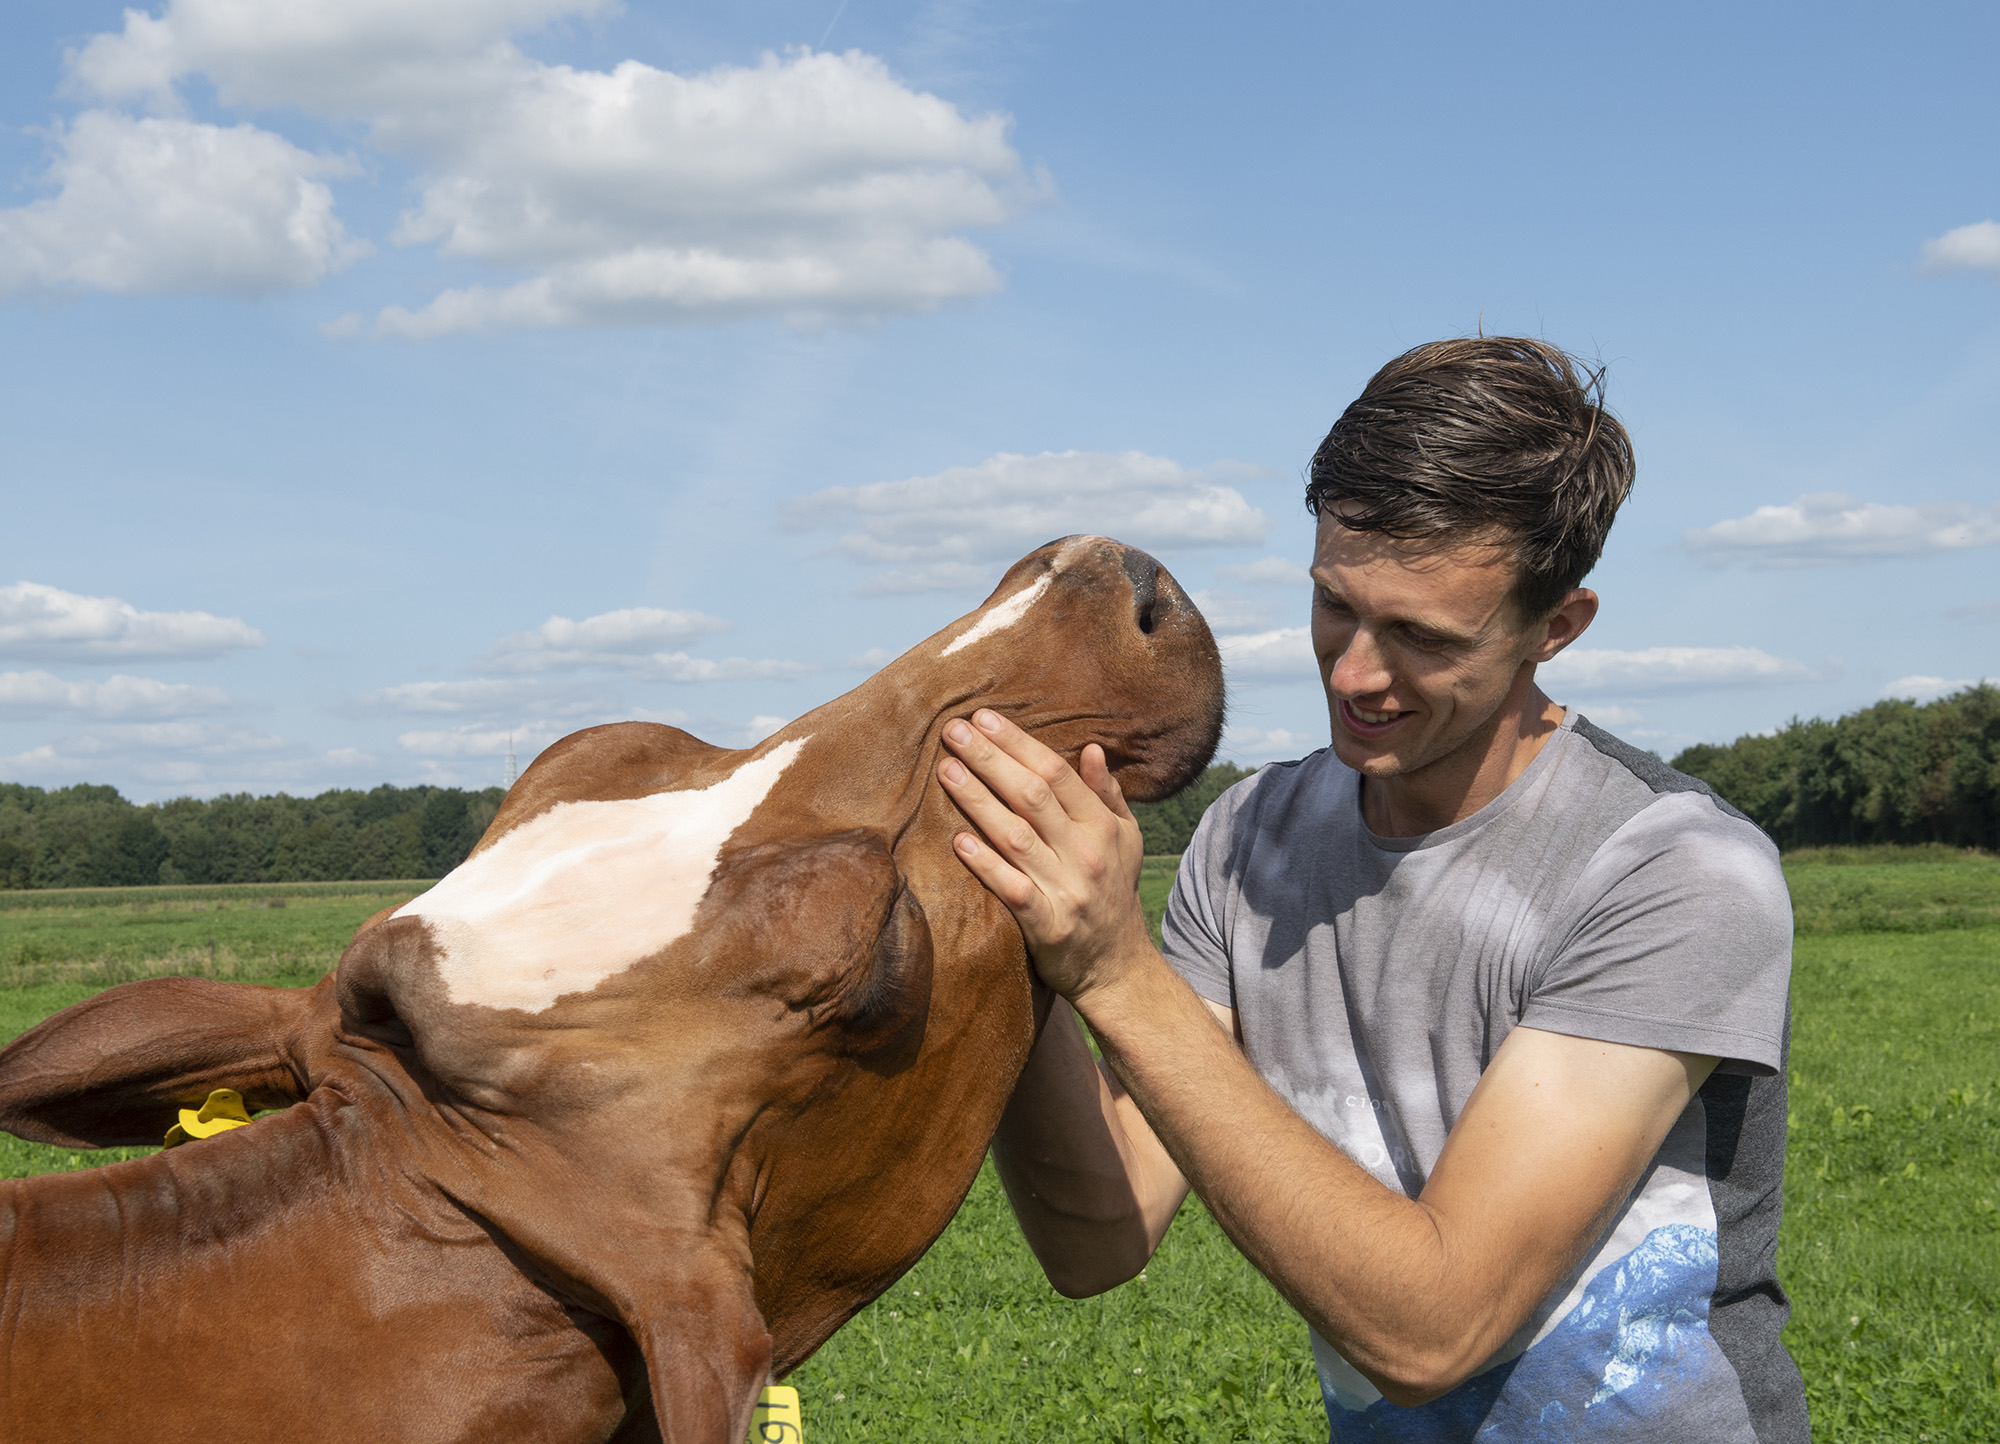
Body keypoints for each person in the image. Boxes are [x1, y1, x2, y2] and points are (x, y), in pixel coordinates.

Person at [936, 336, 1807, 1442]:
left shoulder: (1670, 868)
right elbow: (1097, 1234)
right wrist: (1011, 927)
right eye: (1334, 605)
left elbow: (1429, 1332)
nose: (1352, 673)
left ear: (1557, 626)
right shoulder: (1249, 836)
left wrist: (1111, 966)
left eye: (1420, 637)